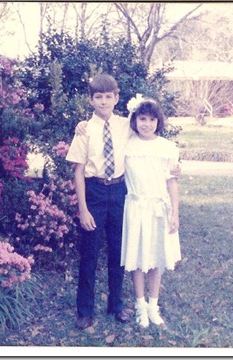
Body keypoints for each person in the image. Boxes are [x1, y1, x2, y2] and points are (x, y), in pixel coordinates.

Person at [65, 74, 131, 330]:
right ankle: (85, 310)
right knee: (89, 254)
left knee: (118, 251)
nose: (104, 102)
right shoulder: (84, 130)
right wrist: (83, 208)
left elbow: (151, 132)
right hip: (94, 192)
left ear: (116, 98)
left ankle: (116, 305)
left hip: (119, 192)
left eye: (108, 97)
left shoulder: (127, 125)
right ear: (91, 100)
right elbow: (78, 172)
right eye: (98, 97)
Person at [120, 95, 181, 329]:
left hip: (159, 208)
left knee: (155, 257)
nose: (147, 124)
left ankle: (154, 306)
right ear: (135, 120)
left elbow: (172, 182)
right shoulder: (127, 145)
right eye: (142, 119)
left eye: (152, 119)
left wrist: (174, 213)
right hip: (135, 207)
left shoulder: (166, 148)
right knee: (137, 258)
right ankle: (140, 306)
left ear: (158, 122)